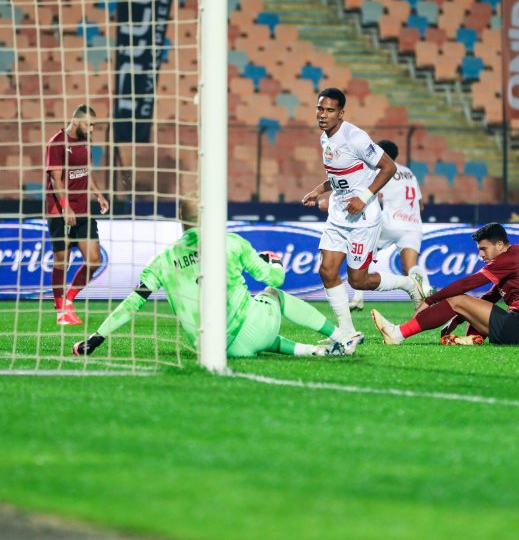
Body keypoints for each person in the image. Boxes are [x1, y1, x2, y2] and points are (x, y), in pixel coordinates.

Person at [73, 198, 362, 358]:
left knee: (260, 331)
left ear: (180, 221)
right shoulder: (230, 241)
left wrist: (95, 339)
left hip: (216, 348)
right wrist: (275, 262)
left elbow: (131, 305)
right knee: (273, 296)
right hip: (252, 329)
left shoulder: (161, 261)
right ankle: (341, 336)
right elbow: (275, 278)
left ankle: (314, 351)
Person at [301, 88, 426, 336]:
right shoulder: (325, 138)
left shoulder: (355, 138)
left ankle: (410, 285)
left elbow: (388, 168)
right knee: (327, 270)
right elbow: (339, 175)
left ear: (341, 114)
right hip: (338, 215)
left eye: (330, 110)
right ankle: (347, 331)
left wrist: (365, 197)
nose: (323, 115)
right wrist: (319, 190)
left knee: (358, 281)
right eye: (320, 109)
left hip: (364, 219)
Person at [371, 222, 519, 346]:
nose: (481, 255)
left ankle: (398, 333)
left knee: (458, 299)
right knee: (466, 303)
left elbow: (467, 284)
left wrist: (431, 300)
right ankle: (473, 339)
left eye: (484, 249)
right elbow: (490, 297)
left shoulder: (508, 260)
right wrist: (460, 316)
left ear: (499, 245)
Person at [45, 104, 109, 326]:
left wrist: (99, 196)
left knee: (94, 260)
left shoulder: (86, 143)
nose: (91, 130)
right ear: (76, 122)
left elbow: (86, 173)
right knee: (62, 262)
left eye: (94, 126)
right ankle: (60, 309)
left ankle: (69, 300)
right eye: (89, 125)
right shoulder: (57, 142)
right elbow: (56, 179)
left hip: (83, 212)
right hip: (59, 212)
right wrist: (65, 207)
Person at [348, 139, 429, 311]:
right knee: (410, 267)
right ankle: (425, 294)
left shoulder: (382, 170)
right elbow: (420, 205)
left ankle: (358, 298)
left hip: (390, 222)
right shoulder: (409, 172)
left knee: (365, 250)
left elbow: (375, 198)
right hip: (413, 225)